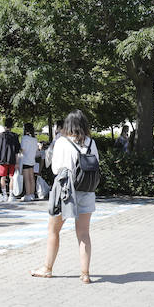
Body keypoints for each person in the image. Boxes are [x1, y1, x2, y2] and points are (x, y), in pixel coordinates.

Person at [32, 110, 97, 284]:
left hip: (66, 191)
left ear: (67, 125)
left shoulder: (62, 142)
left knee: (53, 230)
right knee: (84, 233)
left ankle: (47, 268)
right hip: (87, 190)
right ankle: (85, 274)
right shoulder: (91, 142)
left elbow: (55, 169)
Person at [0, 118, 21, 200]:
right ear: (12, 126)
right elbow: (17, 150)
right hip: (12, 159)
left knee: (2, 177)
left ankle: (4, 195)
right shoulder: (15, 136)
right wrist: (17, 162)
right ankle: (11, 195)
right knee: (12, 177)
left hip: (2, 159)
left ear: (4, 125)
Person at [19, 122, 40, 201]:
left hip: (25, 160)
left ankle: (27, 194)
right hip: (32, 160)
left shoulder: (24, 138)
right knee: (32, 178)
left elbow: (23, 149)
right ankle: (32, 194)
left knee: (27, 178)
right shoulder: (34, 139)